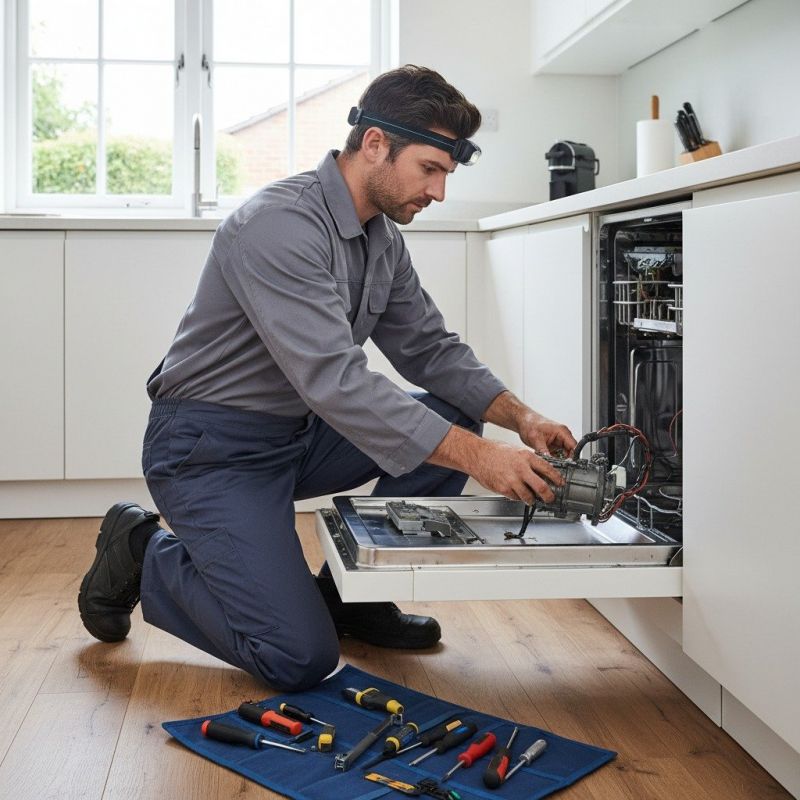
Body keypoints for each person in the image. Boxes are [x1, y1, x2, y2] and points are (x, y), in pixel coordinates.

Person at [78, 65, 577, 692]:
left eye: (447, 174)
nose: (440, 192)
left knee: (454, 414)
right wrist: (482, 460)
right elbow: (336, 381)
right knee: (297, 657)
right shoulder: (279, 225)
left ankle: (352, 601)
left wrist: (521, 417)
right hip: (210, 450)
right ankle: (141, 548)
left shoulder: (381, 239)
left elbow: (429, 349)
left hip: (299, 436)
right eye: (430, 169)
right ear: (375, 144)